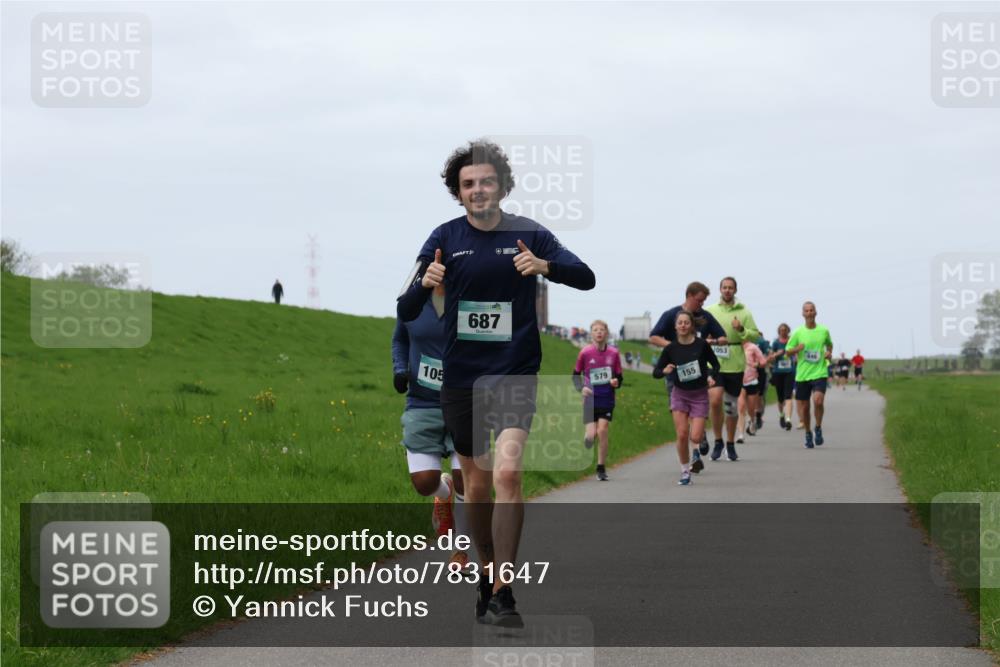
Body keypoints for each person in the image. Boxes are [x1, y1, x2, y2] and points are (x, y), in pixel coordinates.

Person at [397, 140, 595, 628]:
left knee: (507, 474)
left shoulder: (529, 234)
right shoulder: (443, 237)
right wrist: (425, 282)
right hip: (462, 380)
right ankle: (486, 577)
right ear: (457, 192)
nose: (478, 189)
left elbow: (586, 276)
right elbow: (405, 307)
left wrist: (545, 267)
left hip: (514, 371)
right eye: (468, 184)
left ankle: (505, 587)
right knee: (479, 485)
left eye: (486, 181)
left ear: (502, 186)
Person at [391, 283, 469, 567]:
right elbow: (400, 340)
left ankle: (460, 550)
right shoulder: (410, 303)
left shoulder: (471, 296)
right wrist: (400, 370)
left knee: (466, 479)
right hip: (423, 402)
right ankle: (442, 495)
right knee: (424, 483)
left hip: (465, 401)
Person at [648, 281, 728, 452]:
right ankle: (691, 449)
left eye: (704, 301)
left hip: (699, 374)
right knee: (681, 421)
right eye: (699, 300)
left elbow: (723, 338)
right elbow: (653, 337)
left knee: (697, 409)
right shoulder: (671, 315)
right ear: (689, 296)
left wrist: (711, 342)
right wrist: (675, 348)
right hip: (675, 374)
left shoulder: (705, 317)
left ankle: (698, 435)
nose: (702, 304)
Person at [652, 310, 720, 485]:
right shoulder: (670, 348)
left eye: (686, 322)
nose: (683, 325)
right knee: (682, 435)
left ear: (691, 326)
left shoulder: (701, 345)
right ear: (675, 326)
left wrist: (711, 376)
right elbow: (656, 372)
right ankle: (684, 472)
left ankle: (696, 446)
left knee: (695, 437)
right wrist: (664, 371)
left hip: (699, 395)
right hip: (679, 394)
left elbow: (716, 365)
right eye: (680, 323)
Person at [705, 277, 760, 461]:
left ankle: (730, 443)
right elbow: (701, 332)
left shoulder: (744, 311)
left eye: (730, 288)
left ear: (735, 290)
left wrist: (741, 328)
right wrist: (708, 339)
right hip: (714, 362)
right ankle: (718, 440)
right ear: (720, 289)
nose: (727, 290)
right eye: (724, 287)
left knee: (731, 406)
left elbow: (755, 335)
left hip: (735, 362)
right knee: (715, 400)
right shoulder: (710, 311)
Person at [572, 320, 623, 481]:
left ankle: (601, 467)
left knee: (602, 430)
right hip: (590, 399)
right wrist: (581, 388)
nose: (599, 332)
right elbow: (575, 375)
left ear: (606, 333)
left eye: (602, 330)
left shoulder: (614, 353)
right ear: (591, 334)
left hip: (607, 398)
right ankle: (588, 439)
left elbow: (619, 377)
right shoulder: (585, 352)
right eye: (595, 330)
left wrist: (616, 382)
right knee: (592, 433)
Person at [782, 301, 833, 448]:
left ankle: (818, 427)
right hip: (803, 374)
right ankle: (808, 433)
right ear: (803, 314)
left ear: (816, 312)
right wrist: (797, 349)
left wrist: (829, 353)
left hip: (820, 372)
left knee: (818, 401)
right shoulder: (798, 332)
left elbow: (829, 344)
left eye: (811, 310)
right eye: (807, 311)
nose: (809, 313)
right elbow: (787, 351)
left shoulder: (823, 330)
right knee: (804, 408)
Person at [738, 340, 767, 442]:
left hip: (751, 380)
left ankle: (752, 420)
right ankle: (741, 435)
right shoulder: (733, 346)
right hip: (738, 381)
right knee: (741, 407)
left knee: (751, 409)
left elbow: (763, 361)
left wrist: (757, 364)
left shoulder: (753, 347)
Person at [770, 323, 795, 430]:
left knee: (788, 396)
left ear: (788, 331)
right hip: (778, 372)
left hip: (789, 371)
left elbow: (796, 353)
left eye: (785, 330)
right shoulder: (776, 343)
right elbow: (771, 357)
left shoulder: (792, 341)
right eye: (781, 330)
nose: (783, 332)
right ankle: (782, 415)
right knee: (780, 398)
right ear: (779, 331)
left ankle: (788, 419)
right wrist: (777, 354)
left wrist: (794, 355)